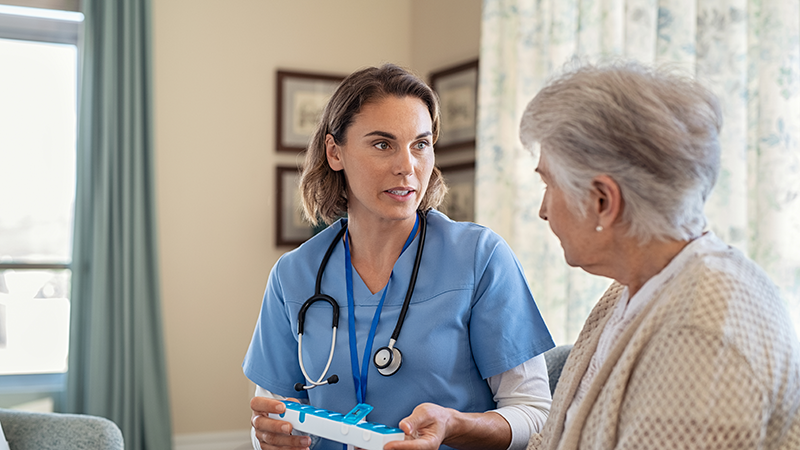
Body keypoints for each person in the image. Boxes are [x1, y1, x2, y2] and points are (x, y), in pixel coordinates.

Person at [243, 63, 555, 450]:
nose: (407, 167)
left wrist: (455, 424)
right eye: (382, 144)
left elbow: (535, 413)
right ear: (334, 152)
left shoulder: (479, 258)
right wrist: (271, 440)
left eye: (420, 145)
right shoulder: (293, 275)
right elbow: (272, 419)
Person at [518, 60, 800, 449]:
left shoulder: (703, 327)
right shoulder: (628, 291)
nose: (543, 209)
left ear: (603, 201)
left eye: (548, 183)